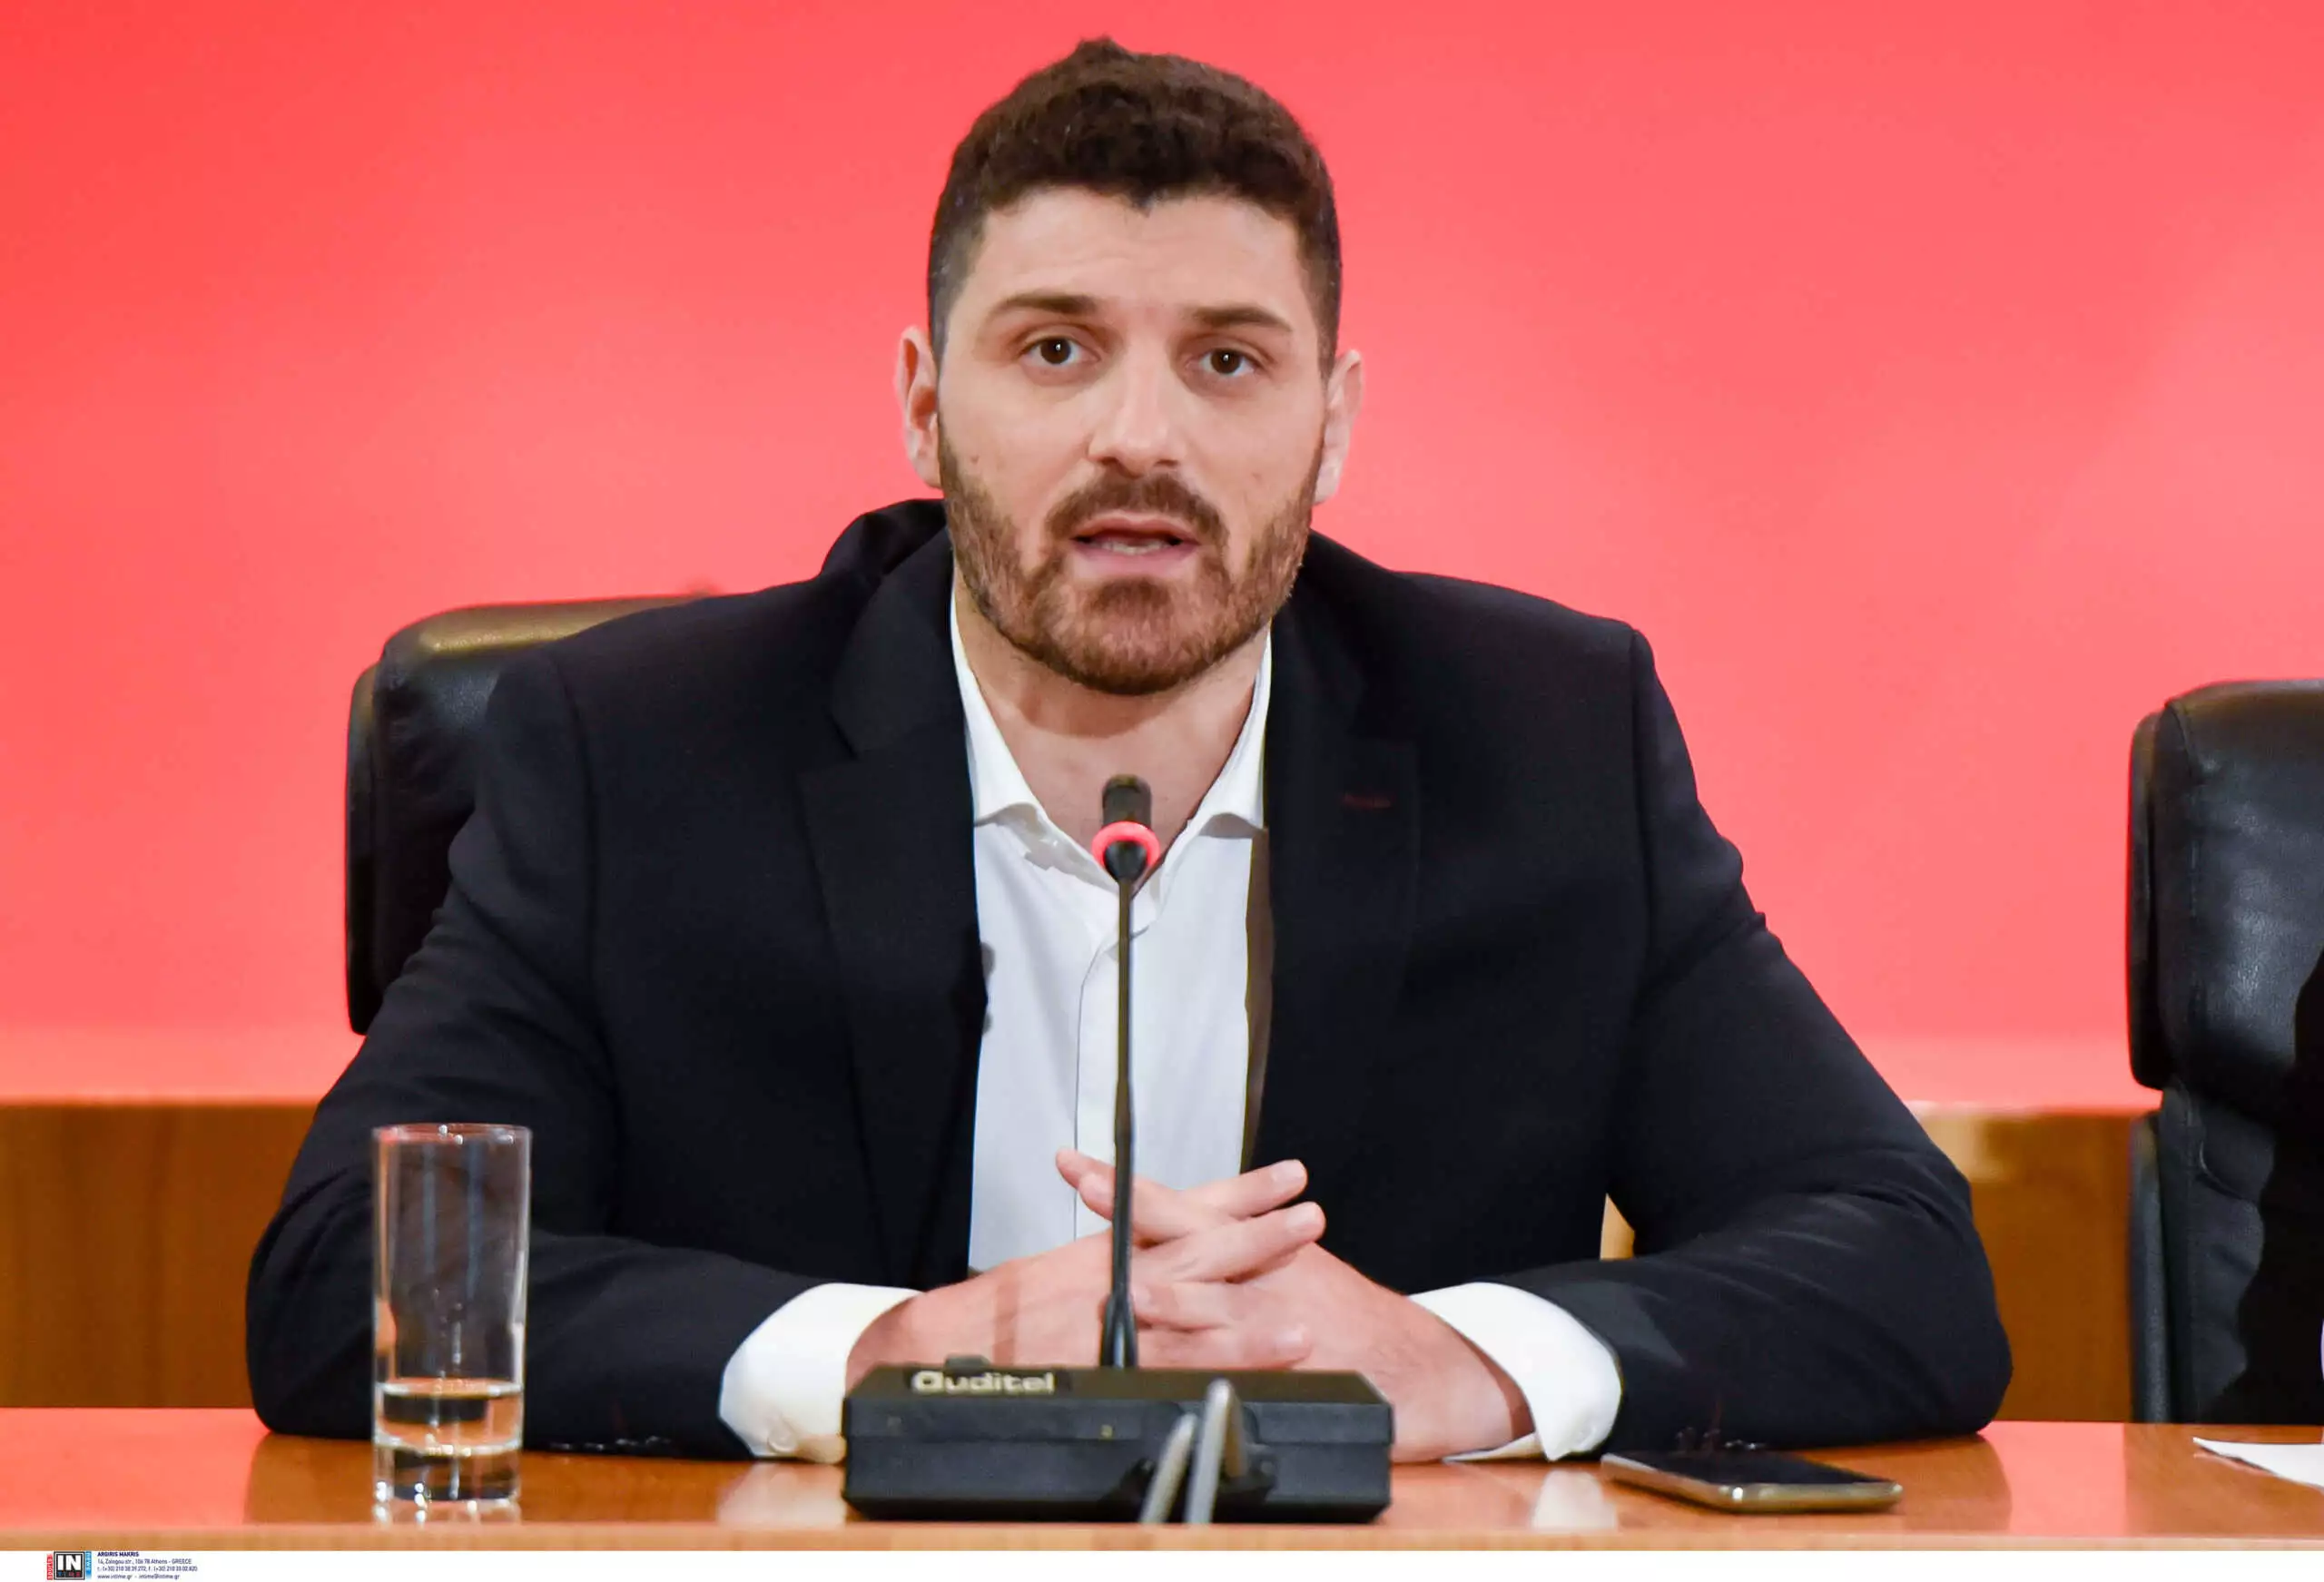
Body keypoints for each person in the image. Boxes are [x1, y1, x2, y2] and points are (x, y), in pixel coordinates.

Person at [247, 38, 2011, 1466]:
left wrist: (1454, 1362)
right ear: (924, 402)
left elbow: (1904, 1260)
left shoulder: (1544, 742)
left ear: (1332, 424)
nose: (1139, 437)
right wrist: (881, 1351)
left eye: (1228, 361)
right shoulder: (642, 753)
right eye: (1056, 349)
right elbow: (346, 1280)